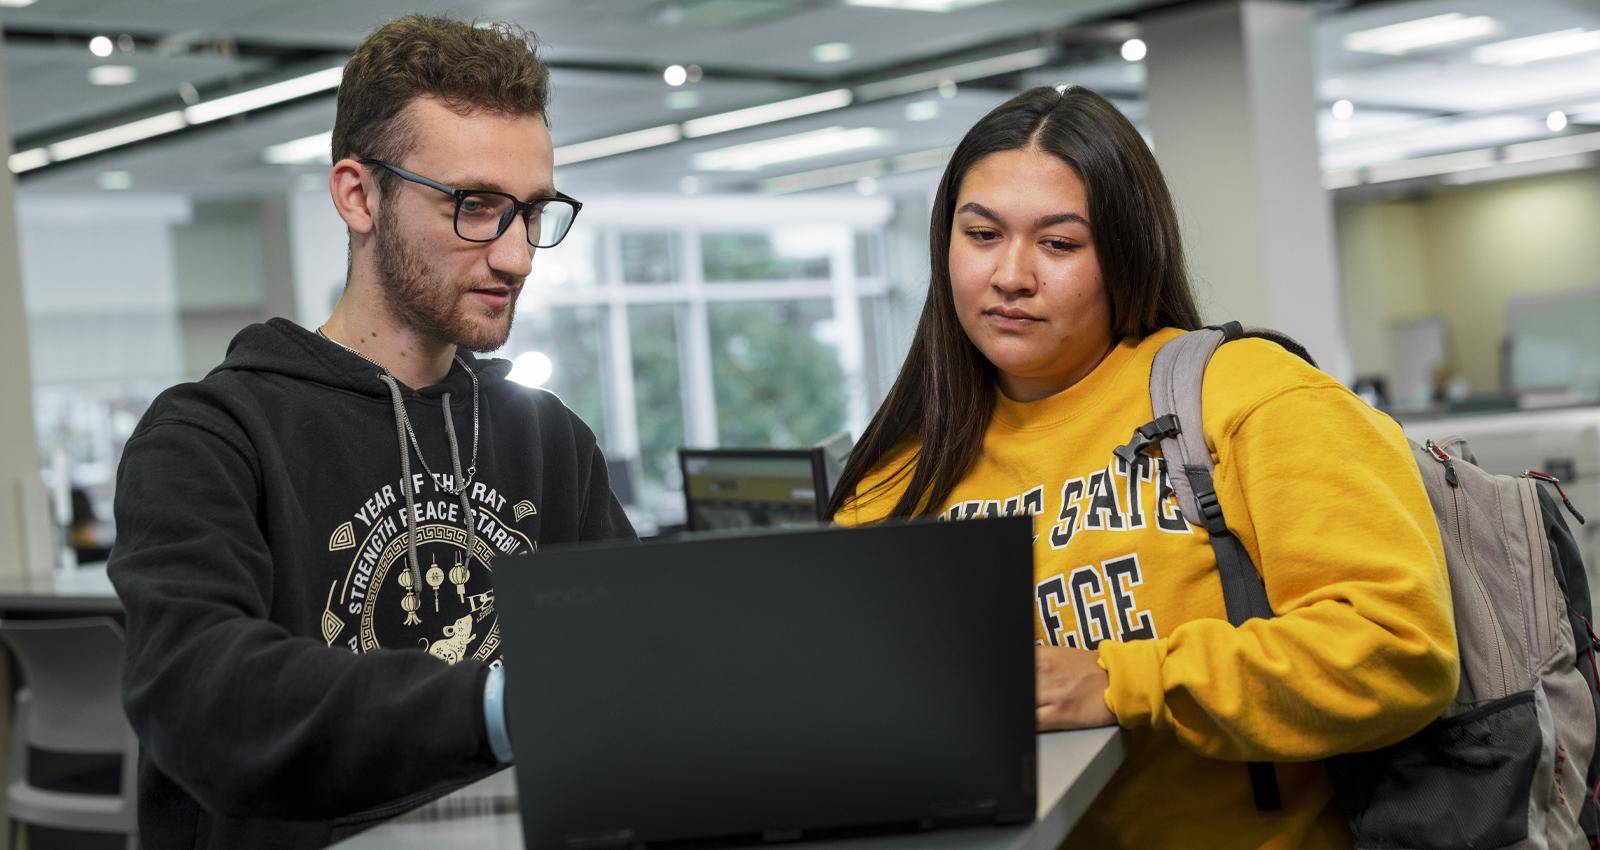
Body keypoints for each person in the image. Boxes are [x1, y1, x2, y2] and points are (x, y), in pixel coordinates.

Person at [828, 86, 1458, 849]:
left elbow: (1399, 650)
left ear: (1126, 252)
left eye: (1059, 244)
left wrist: (1121, 682)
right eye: (982, 234)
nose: (1012, 275)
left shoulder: (1245, 395)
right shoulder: (894, 477)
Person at [107, 15, 634, 849]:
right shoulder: (210, 437)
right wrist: (492, 705)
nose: (519, 258)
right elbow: (202, 699)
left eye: (533, 212)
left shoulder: (550, 440)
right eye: (475, 207)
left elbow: (632, 660)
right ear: (358, 195)